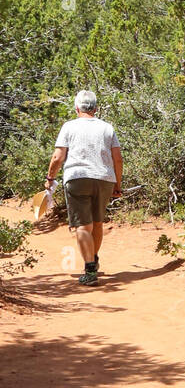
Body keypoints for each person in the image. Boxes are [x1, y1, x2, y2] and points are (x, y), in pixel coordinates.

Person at [45, 90, 123, 287]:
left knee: (82, 226)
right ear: (96, 108)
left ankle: (89, 270)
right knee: (97, 223)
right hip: (104, 179)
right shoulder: (107, 128)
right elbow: (118, 159)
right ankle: (93, 260)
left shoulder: (69, 127)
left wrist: (50, 177)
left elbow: (58, 157)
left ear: (77, 108)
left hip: (77, 178)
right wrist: (118, 184)